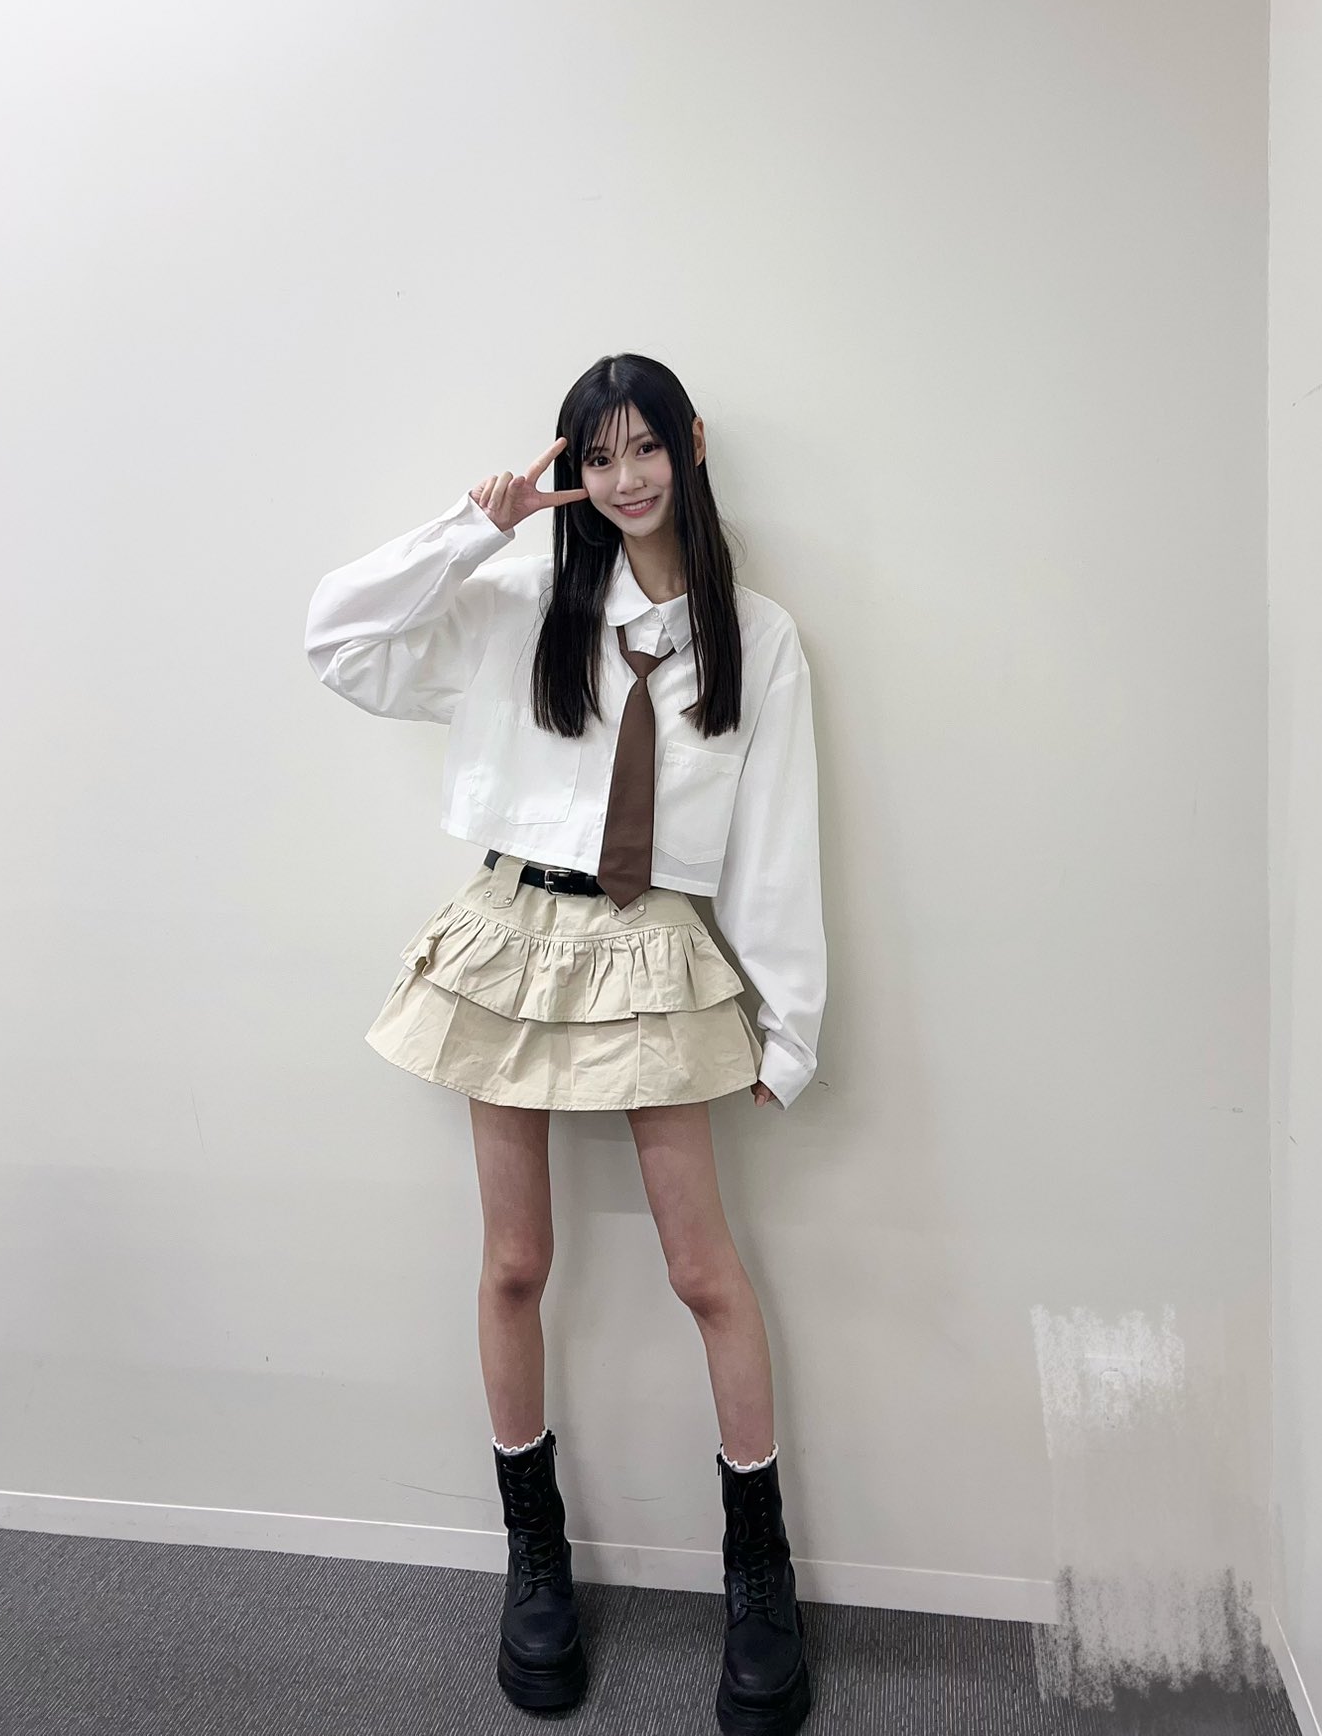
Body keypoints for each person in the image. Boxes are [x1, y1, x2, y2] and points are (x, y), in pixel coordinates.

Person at [304, 352, 825, 1734]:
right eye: (599, 457)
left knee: (705, 1273)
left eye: (645, 448)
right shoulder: (524, 594)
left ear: (691, 446)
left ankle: (758, 1573)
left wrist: (789, 1026)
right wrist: (471, 528)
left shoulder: (756, 636)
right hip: (512, 937)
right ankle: (532, 1553)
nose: (626, 478)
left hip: (653, 944)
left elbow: (777, 842)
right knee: (515, 1263)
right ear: (573, 470)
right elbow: (338, 642)